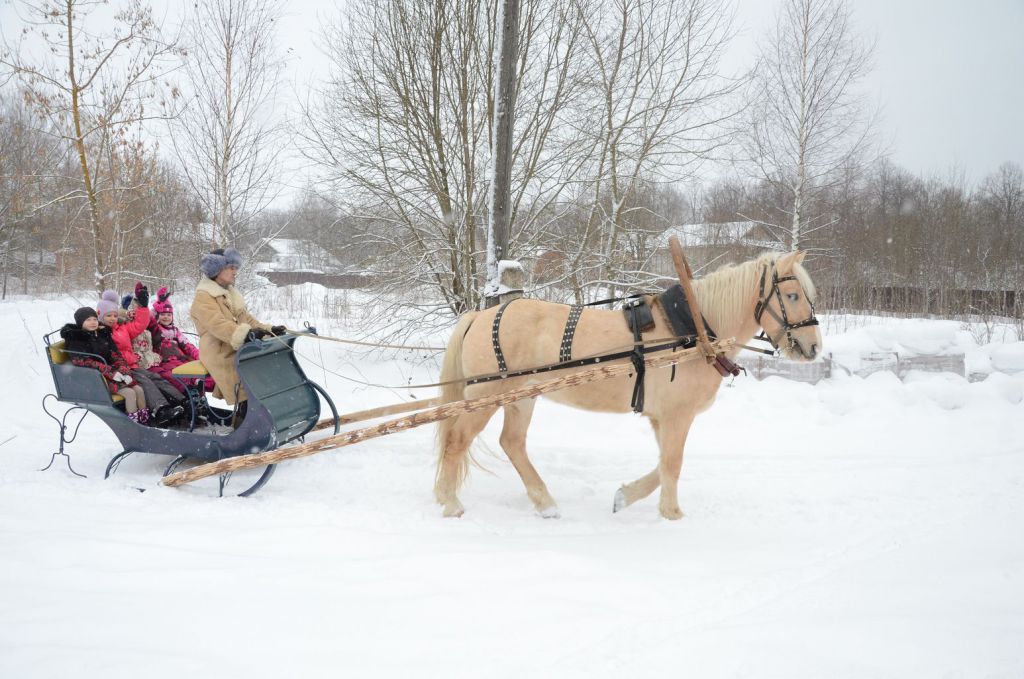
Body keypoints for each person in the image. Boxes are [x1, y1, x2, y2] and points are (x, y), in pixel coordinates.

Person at [190, 247, 286, 426]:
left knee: (259, 364)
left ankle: (259, 418)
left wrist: (269, 329)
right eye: (231, 267)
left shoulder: (230, 295)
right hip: (217, 349)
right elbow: (217, 324)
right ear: (217, 269)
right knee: (245, 376)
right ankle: (244, 424)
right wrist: (244, 333)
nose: (236, 272)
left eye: (236, 267)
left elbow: (247, 319)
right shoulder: (203, 297)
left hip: (235, 344)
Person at [97, 287, 186, 426]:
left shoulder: (121, 328)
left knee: (155, 377)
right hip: (122, 368)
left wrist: (143, 307)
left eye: (115, 315)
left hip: (132, 365)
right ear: (100, 316)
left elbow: (139, 325)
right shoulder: (102, 334)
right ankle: (160, 409)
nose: (112, 319)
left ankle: (181, 400)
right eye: (108, 316)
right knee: (145, 381)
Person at [60, 307, 149, 424]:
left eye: (94, 319)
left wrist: (124, 370)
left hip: (113, 374)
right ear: (81, 323)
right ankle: (133, 424)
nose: (93, 322)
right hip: (96, 378)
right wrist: (111, 372)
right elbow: (84, 362)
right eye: (88, 320)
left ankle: (144, 420)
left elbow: (115, 355)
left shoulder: (102, 334)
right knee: (130, 393)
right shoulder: (76, 339)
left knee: (138, 389)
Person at [147, 286, 215, 394]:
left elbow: (187, 345)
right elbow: (149, 319)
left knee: (195, 371)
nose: (166, 317)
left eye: (169, 315)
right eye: (163, 314)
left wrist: (200, 356)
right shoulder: (156, 329)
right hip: (165, 361)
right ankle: (191, 389)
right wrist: (157, 306)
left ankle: (202, 384)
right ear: (158, 315)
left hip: (180, 360)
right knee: (176, 376)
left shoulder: (175, 331)